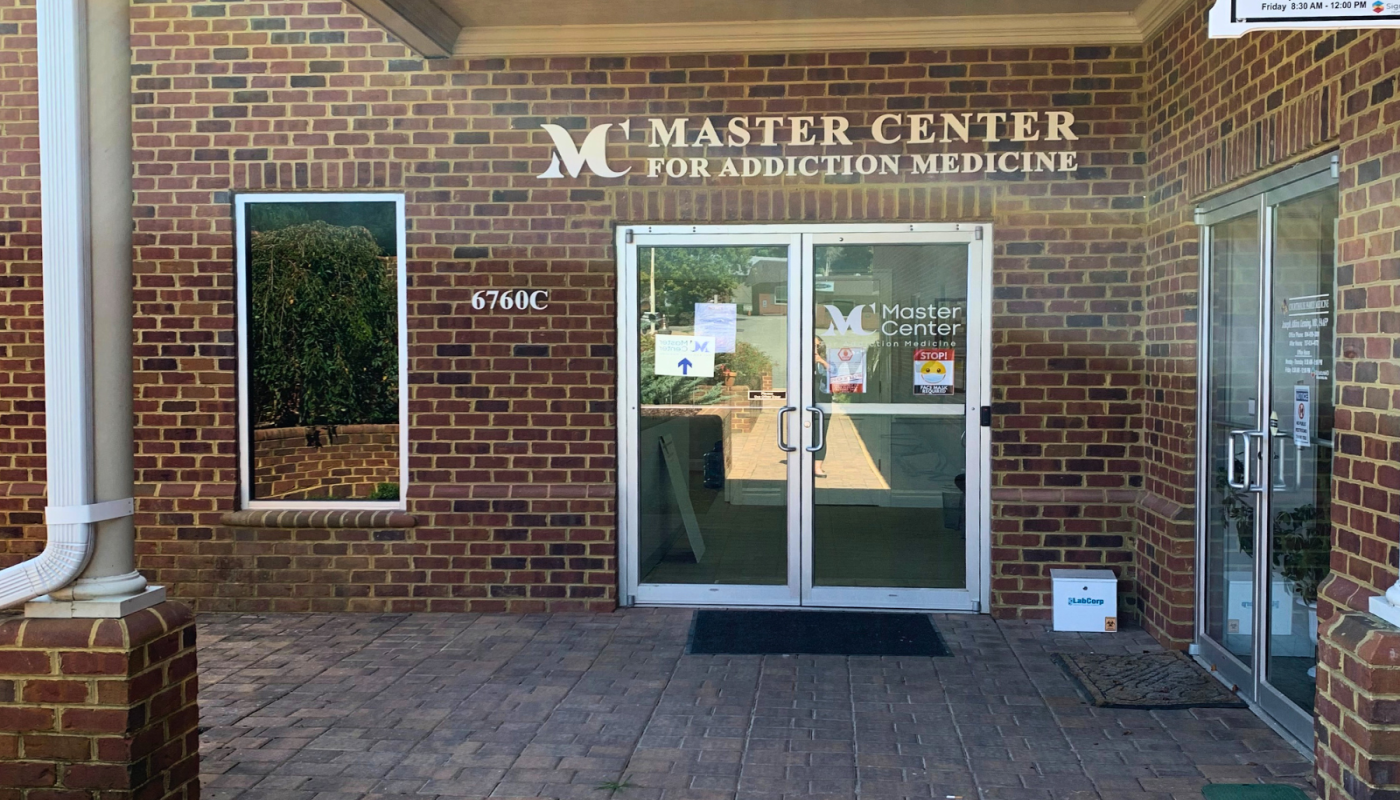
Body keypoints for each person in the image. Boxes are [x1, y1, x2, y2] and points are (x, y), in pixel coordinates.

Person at [813, 336, 833, 477]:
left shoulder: (826, 360)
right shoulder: (800, 360)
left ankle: (817, 467)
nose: (815, 348)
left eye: (817, 345)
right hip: (805, 403)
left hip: (823, 402)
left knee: (820, 434)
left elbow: (836, 374)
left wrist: (821, 361)